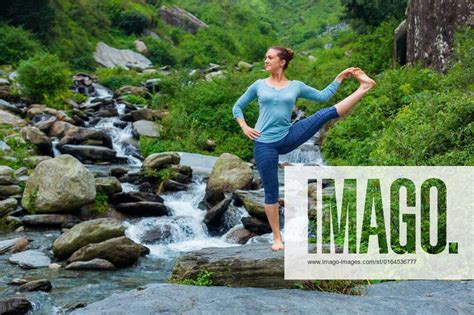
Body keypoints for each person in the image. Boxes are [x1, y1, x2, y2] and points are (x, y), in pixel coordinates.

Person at [232, 46, 376, 251]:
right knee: (271, 191)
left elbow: (323, 96)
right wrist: (245, 126)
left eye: (270, 58)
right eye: (265, 57)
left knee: (325, 113)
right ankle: (277, 238)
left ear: (282, 62)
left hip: (288, 136)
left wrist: (339, 78)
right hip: (264, 144)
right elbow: (237, 107)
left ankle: (364, 87)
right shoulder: (258, 85)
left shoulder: (296, 86)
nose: (266, 60)